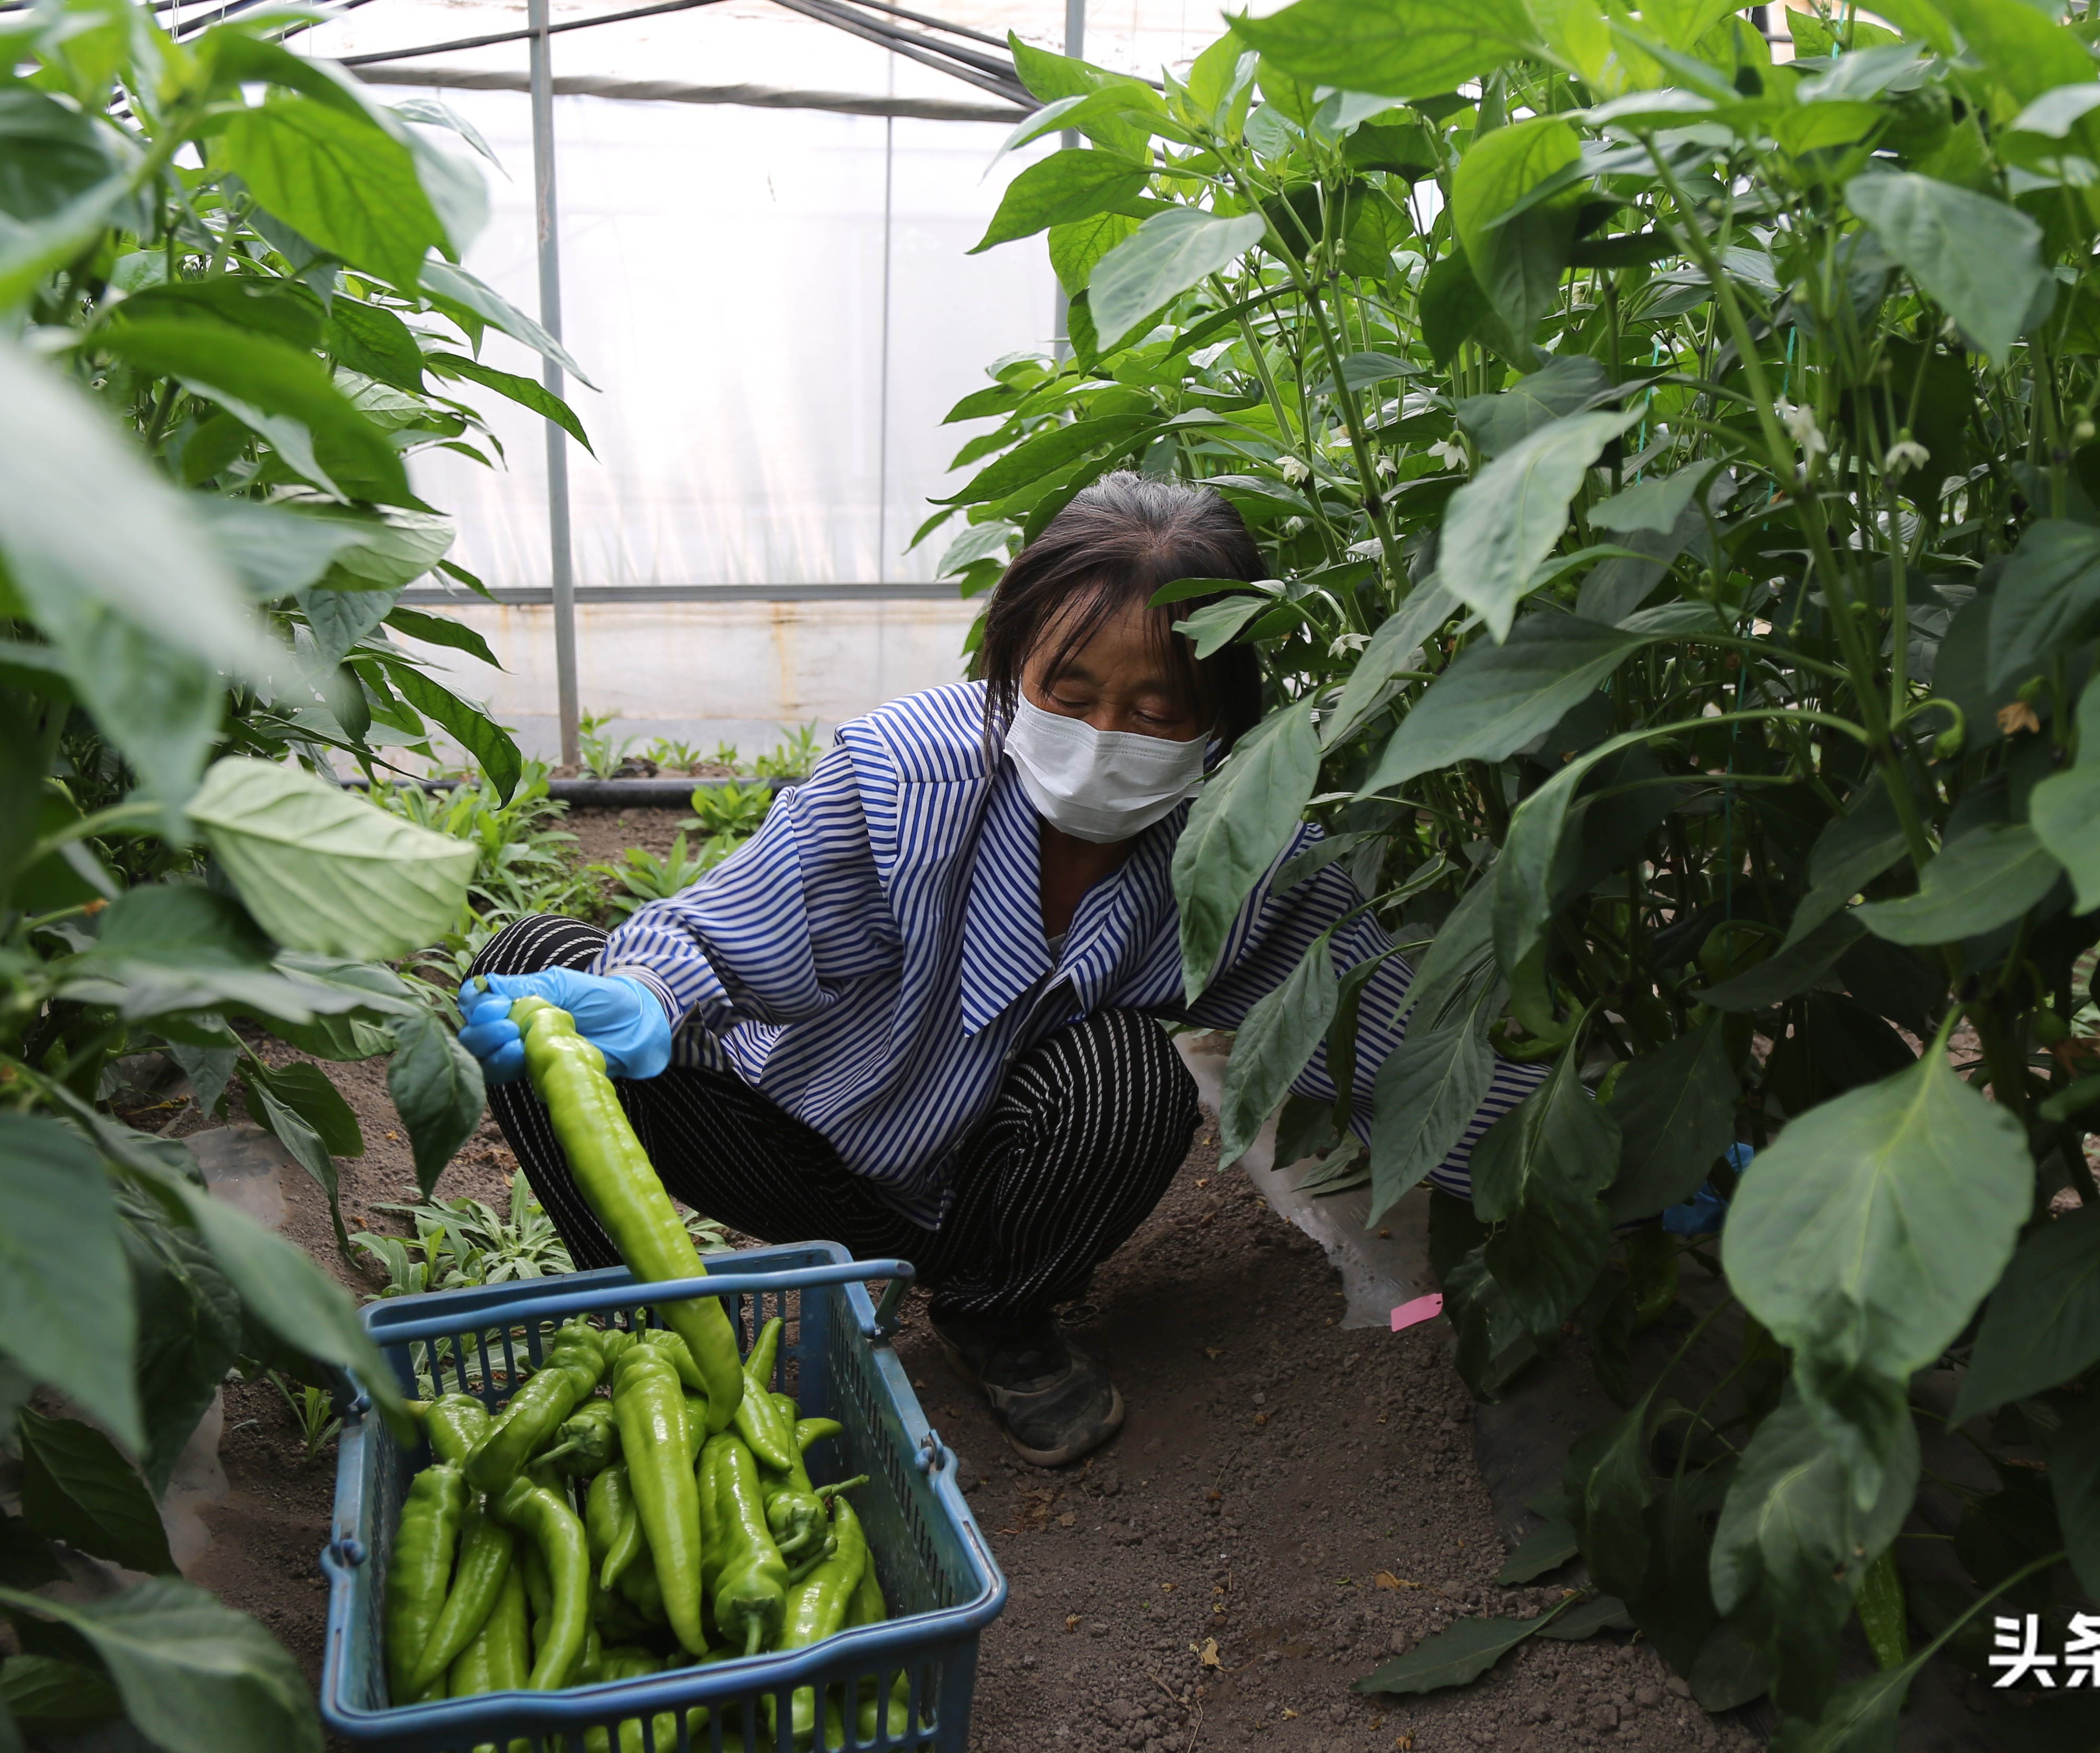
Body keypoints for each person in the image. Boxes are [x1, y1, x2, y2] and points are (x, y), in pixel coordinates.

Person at [456, 473, 1535, 1467]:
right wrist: (648, 994)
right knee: (536, 970)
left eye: (1158, 711)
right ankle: (645, 1323)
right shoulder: (903, 773)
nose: (1106, 735)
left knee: (1136, 1077)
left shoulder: (1248, 847)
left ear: (1224, 720)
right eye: (1067, 692)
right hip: (781, 1136)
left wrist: (1591, 1159)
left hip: (986, 1197)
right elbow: (731, 924)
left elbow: (1390, 1048)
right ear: (1011, 665)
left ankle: (993, 1312)